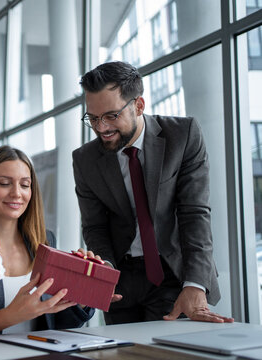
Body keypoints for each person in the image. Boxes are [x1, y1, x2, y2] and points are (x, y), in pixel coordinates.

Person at [72, 61, 234, 325]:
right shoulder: (85, 159)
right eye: (93, 118)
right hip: (120, 281)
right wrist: (105, 273)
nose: (101, 128)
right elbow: (94, 226)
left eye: (111, 116)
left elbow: (195, 214)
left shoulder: (182, 136)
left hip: (171, 273)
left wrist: (195, 283)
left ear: (138, 105)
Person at [0, 145, 94, 335]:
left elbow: (54, 323)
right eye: (4, 183)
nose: (17, 193)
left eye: (25, 185)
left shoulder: (44, 240)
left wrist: (82, 294)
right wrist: (13, 314)